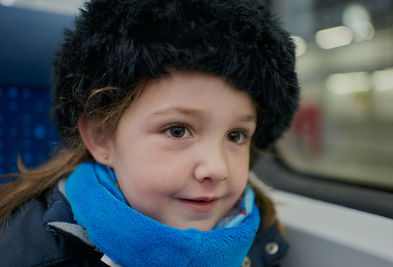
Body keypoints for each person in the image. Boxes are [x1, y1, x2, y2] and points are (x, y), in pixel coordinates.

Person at [0, 0, 299, 266]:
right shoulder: (27, 249)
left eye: (236, 136)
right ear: (101, 136)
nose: (216, 169)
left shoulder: (258, 235)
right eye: (178, 131)